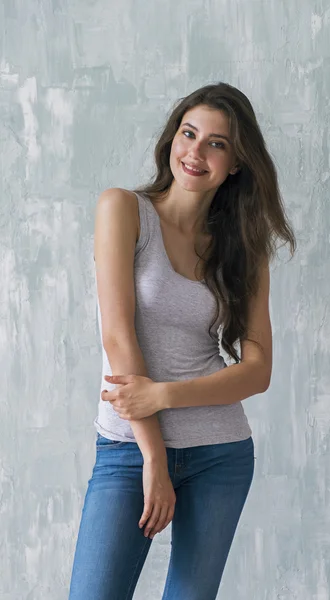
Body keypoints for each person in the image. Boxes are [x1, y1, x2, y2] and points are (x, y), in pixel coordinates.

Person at [68, 81, 296, 600]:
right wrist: (154, 458)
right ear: (172, 137)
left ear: (236, 163)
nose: (195, 151)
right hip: (129, 449)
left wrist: (165, 393)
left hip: (220, 451)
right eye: (188, 133)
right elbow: (118, 337)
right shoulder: (124, 209)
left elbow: (258, 371)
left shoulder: (244, 247)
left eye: (216, 143)